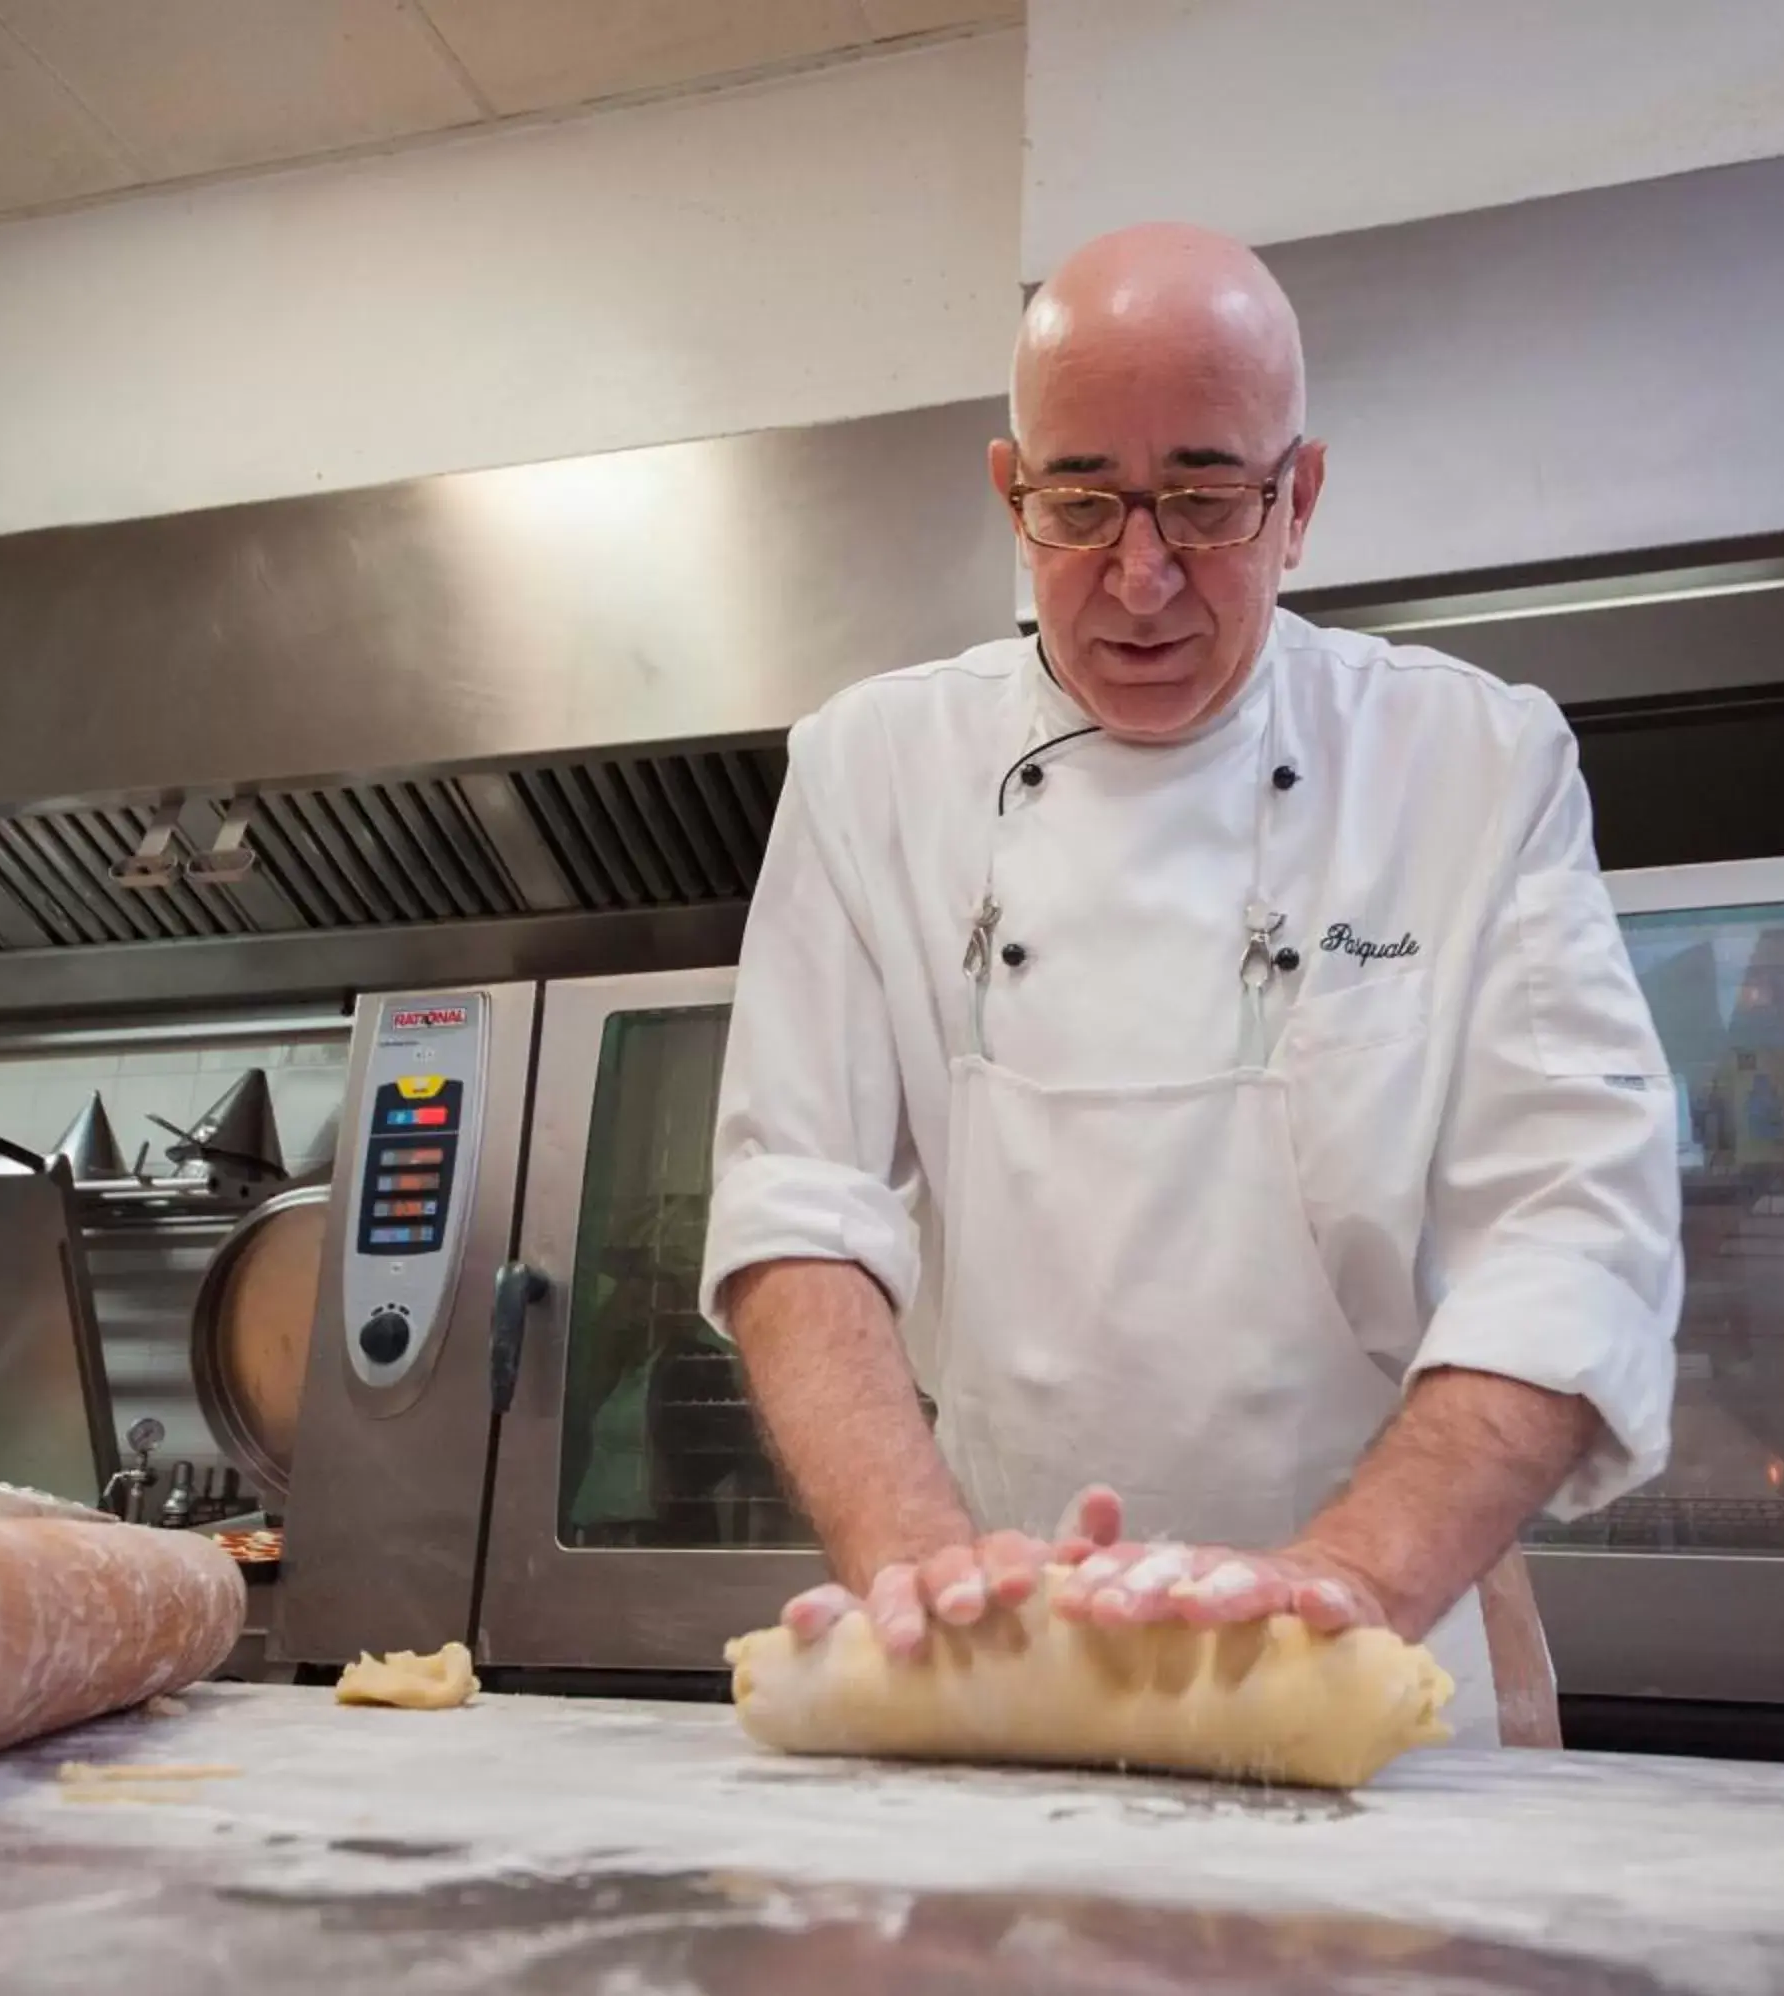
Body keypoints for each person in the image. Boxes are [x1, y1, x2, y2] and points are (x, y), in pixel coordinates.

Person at [699, 221, 1683, 1746]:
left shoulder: (1470, 765)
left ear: (1302, 501)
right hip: (1003, 1649)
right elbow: (797, 1205)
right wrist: (921, 1577)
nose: (1141, 577)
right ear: (1008, 495)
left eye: (1208, 501)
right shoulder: (871, 771)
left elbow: (1574, 1228)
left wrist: (1346, 1580)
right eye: (1080, 502)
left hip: (1375, 1649)